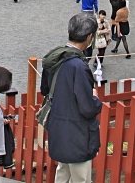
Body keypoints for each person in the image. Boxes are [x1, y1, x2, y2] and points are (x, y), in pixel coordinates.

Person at [40, 13, 102, 183]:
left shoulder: (55, 57)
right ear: (89, 37)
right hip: (77, 133)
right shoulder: (78, 67)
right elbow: (87, 107)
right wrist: (95, 98)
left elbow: (44, 90)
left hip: (58, 128)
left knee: (62, 174)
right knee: (81, 177)